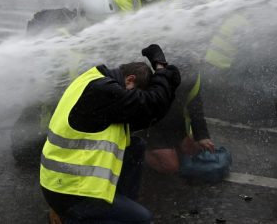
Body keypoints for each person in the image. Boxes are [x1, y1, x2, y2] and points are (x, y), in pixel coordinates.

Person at [40, 44, 181, 223]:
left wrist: (167, 79)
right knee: (142, 219)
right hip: (70, 192)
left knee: (135, 146)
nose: (136, 99)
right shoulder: (103, 92)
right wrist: (160, 67)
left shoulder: (97, 81)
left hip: (63, 182)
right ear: (130, 80)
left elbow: (150, 114)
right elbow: (149, 105)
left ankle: (117, 203)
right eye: (138, 93)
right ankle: (69, 216)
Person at [12, 0, 117, 166]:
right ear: (83, 18)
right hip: (52, 116)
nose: (103, 30)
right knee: (27, 155)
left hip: (77, 113)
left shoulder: (106, 41)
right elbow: (44, 92)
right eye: (98, 25)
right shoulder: (58, 44)